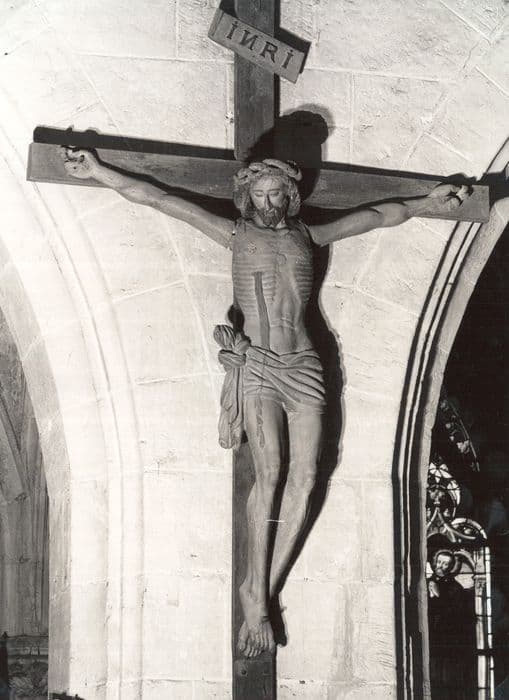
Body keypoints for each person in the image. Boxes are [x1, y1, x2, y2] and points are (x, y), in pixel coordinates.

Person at [61, 147, 470, 658]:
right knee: (270, 473)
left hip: (304, 366)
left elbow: (378, 216)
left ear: (290, 195)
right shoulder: (234, 235)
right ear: (247, 197)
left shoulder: (309, 235)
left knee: (307, 477)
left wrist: (429, 202)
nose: (269, 203)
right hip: (257, 366)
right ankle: (256, 594)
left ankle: (260, 591)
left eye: (277, 194)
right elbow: (161, 199)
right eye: (259, 195)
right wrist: (99, 171)